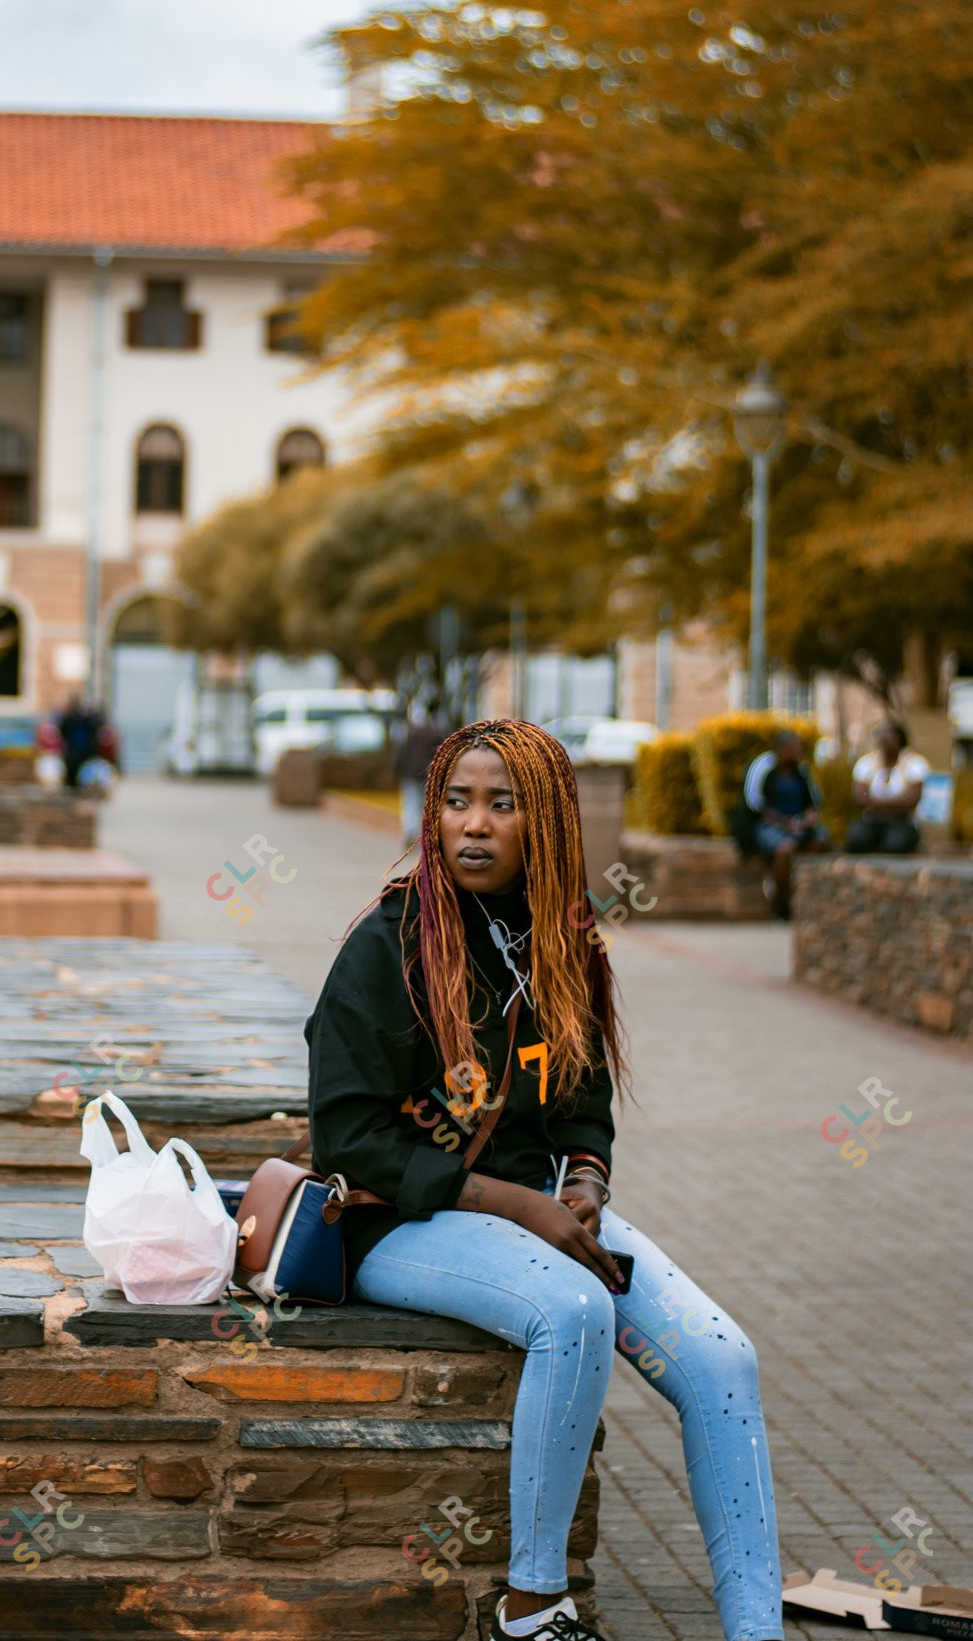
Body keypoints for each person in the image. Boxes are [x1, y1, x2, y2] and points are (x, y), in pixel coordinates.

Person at [306, 720, 783, 1641]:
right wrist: (515, 1203)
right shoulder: (389, 941)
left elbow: (581, 1098)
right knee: (573, 1312)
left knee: (724, 1359)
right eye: (455, 803)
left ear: (548, 824)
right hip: (398, 1221)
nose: (472, 826)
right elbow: (347, 1136)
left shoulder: (560, 938)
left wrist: (583, 1187)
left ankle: (756, 1630)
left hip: (534, 1219)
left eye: (502, 804)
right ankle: (530, 1608)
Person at [740, 729, 829, 919]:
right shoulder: (764, 767)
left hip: (800, 825)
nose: (797, 752)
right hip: (771, 825)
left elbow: (814, 801)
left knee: (820, 842)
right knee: (785, 849)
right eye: (793, 748)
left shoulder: (801, 771)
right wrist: (785, 822)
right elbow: (755, 803)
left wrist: (808, 818)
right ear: (781, 749)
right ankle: (783, 901)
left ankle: (803, 893)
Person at [846, 721, 927, 855]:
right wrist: (895, 802)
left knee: (897, 844)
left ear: (900, 739)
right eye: (881, 737)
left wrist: (875, 803)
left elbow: (911, 801)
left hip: (901, 821)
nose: (884, 741)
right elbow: (860, 798)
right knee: (856, 838)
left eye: (889, 737)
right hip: (872, 820)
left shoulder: (914, 763)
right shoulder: (867, 763)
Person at [396, 700, 448, 849]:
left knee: (410, 804)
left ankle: (410, 833)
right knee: (424, 806)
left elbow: (401, 752)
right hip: (426, 774)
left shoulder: (410, 731)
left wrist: (398, 770)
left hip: (409, 772)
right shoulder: (435, 733)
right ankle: (421, 837)